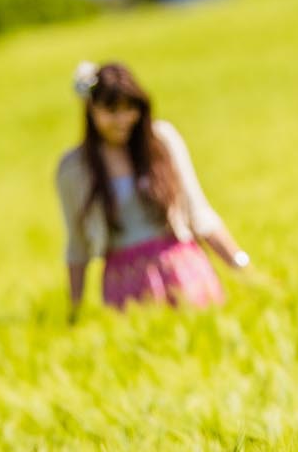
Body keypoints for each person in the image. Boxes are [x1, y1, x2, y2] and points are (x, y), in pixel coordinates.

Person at [55, 61, 250, 321]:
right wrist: (74, 310)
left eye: (129, 109)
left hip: (182, 268)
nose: (123, 119)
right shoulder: (73, 169)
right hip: (123, 282)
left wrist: (242, 266)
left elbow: (199, 213)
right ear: (91, 110)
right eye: (112, 111)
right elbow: (77, 246)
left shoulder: (161, 141)